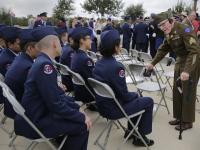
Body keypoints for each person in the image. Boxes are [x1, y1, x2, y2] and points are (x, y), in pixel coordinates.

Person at [14, 27, 91, 150]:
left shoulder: (41, 61)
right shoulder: (45, 66)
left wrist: (76, 108)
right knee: (82, 125)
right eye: (60, 43)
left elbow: (56, 95)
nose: (62, 45)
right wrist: (80, 116)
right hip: (37, 121)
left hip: (37, 115)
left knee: (76, 119)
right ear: (55, 44)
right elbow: (55, 104)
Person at [93, 30, 154, 146]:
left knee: (137, 100)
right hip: (114, 109)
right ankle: (140, 136)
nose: (121, 46)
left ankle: (131, 131)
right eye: (119, 44)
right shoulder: (117, 67)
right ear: (115, 48)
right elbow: (124, 95)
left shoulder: (98, 63)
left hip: (102, 106)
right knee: (148, 101)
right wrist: (135, 95)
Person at [146, 11, 200, 131]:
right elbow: (163, 49)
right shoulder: (168, 32)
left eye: (164, 24)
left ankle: (188, 121)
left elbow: (194, 51)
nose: (162, 27)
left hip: (192, 61)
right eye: (160, 26)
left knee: (188, 91)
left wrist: (187, 71)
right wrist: (152, 63)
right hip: (181, 60)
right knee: (177, 89)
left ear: (171, 20)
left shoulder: (184, 29)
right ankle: (179, 117)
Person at [4, 29, 39, 119]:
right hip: (22, 111)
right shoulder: (27, 66)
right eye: (39, 46)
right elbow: (38, 92)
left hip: (14, 106)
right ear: (30, 48)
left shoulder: (20, 59)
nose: (41, 49)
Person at [70, 27, 97, 111]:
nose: (91, 41)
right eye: (89, 39)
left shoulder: (75, 55)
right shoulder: (85, 59)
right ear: (82, 40)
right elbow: (94, 80)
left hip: (79, 92)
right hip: (88, 94)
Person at [56, 27, 74, 92]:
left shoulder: (65, 47)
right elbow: (72, 70)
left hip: (65, 79)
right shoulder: (70, 51)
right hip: (70, 82)